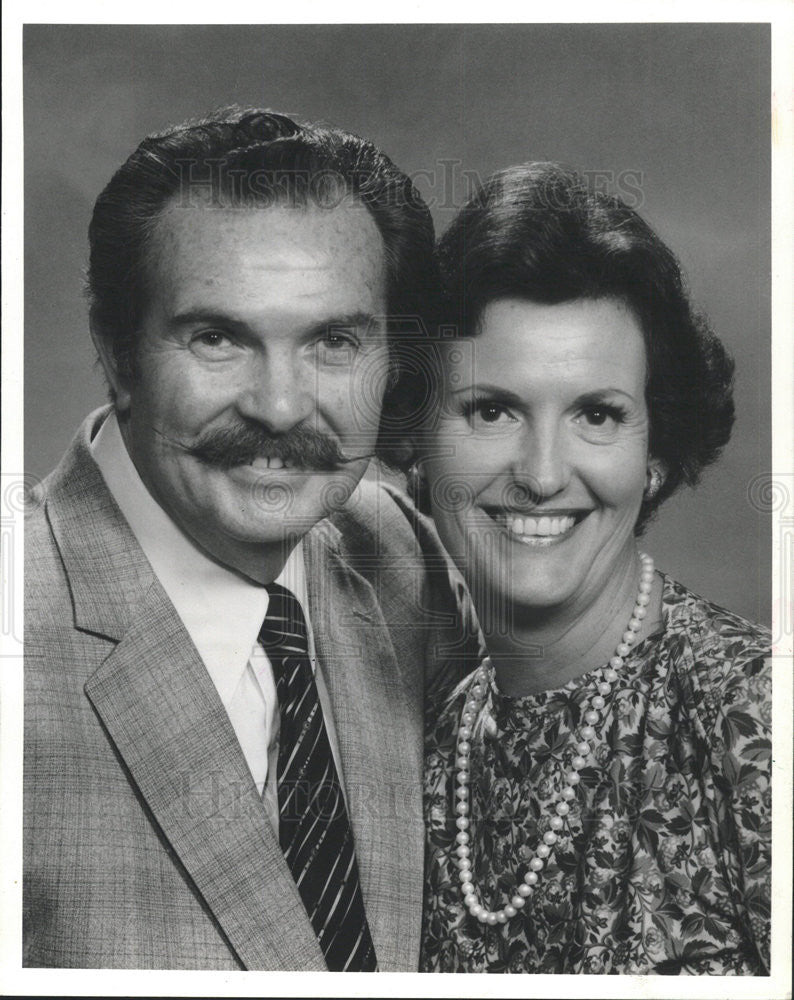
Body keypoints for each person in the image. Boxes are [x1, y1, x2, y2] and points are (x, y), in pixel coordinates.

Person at [24, 107, 483, 971]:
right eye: (218, 337)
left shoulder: (396, 553)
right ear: (119, 353)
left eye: (334, 341)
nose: (279, 407)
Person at [417, 163, 771, 974]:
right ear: (419, 437)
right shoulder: (429, 741)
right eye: (492, 410)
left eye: (598, 414)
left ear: (655, 455)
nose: (542, 473)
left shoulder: (754, 715)